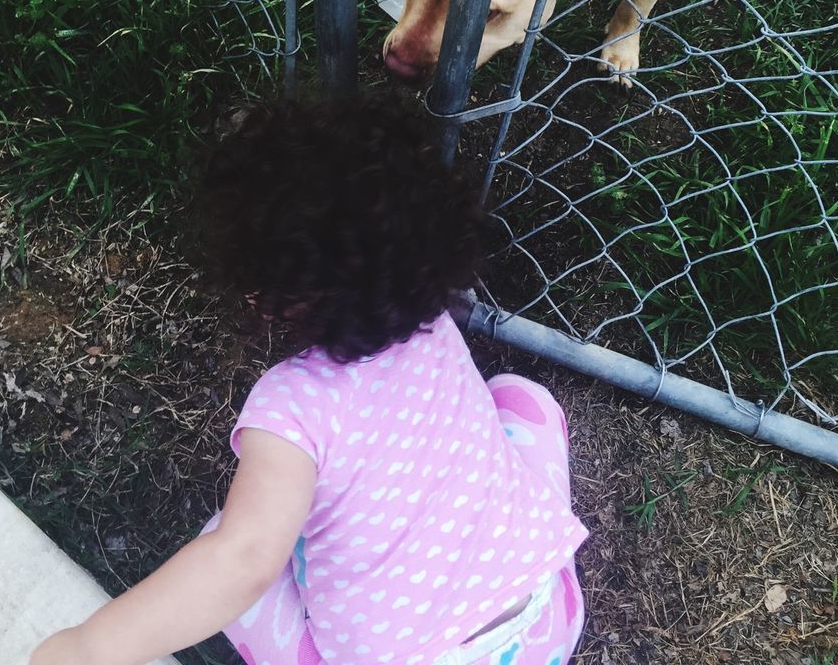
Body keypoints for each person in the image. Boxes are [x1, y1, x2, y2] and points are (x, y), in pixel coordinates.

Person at [31, 91, 588, 665]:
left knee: (224, 535)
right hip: (546, 622)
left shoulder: (291, 407)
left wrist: (91, 647)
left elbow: (242, 562)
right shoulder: (435, 323)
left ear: (268, 289)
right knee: (521, 397)